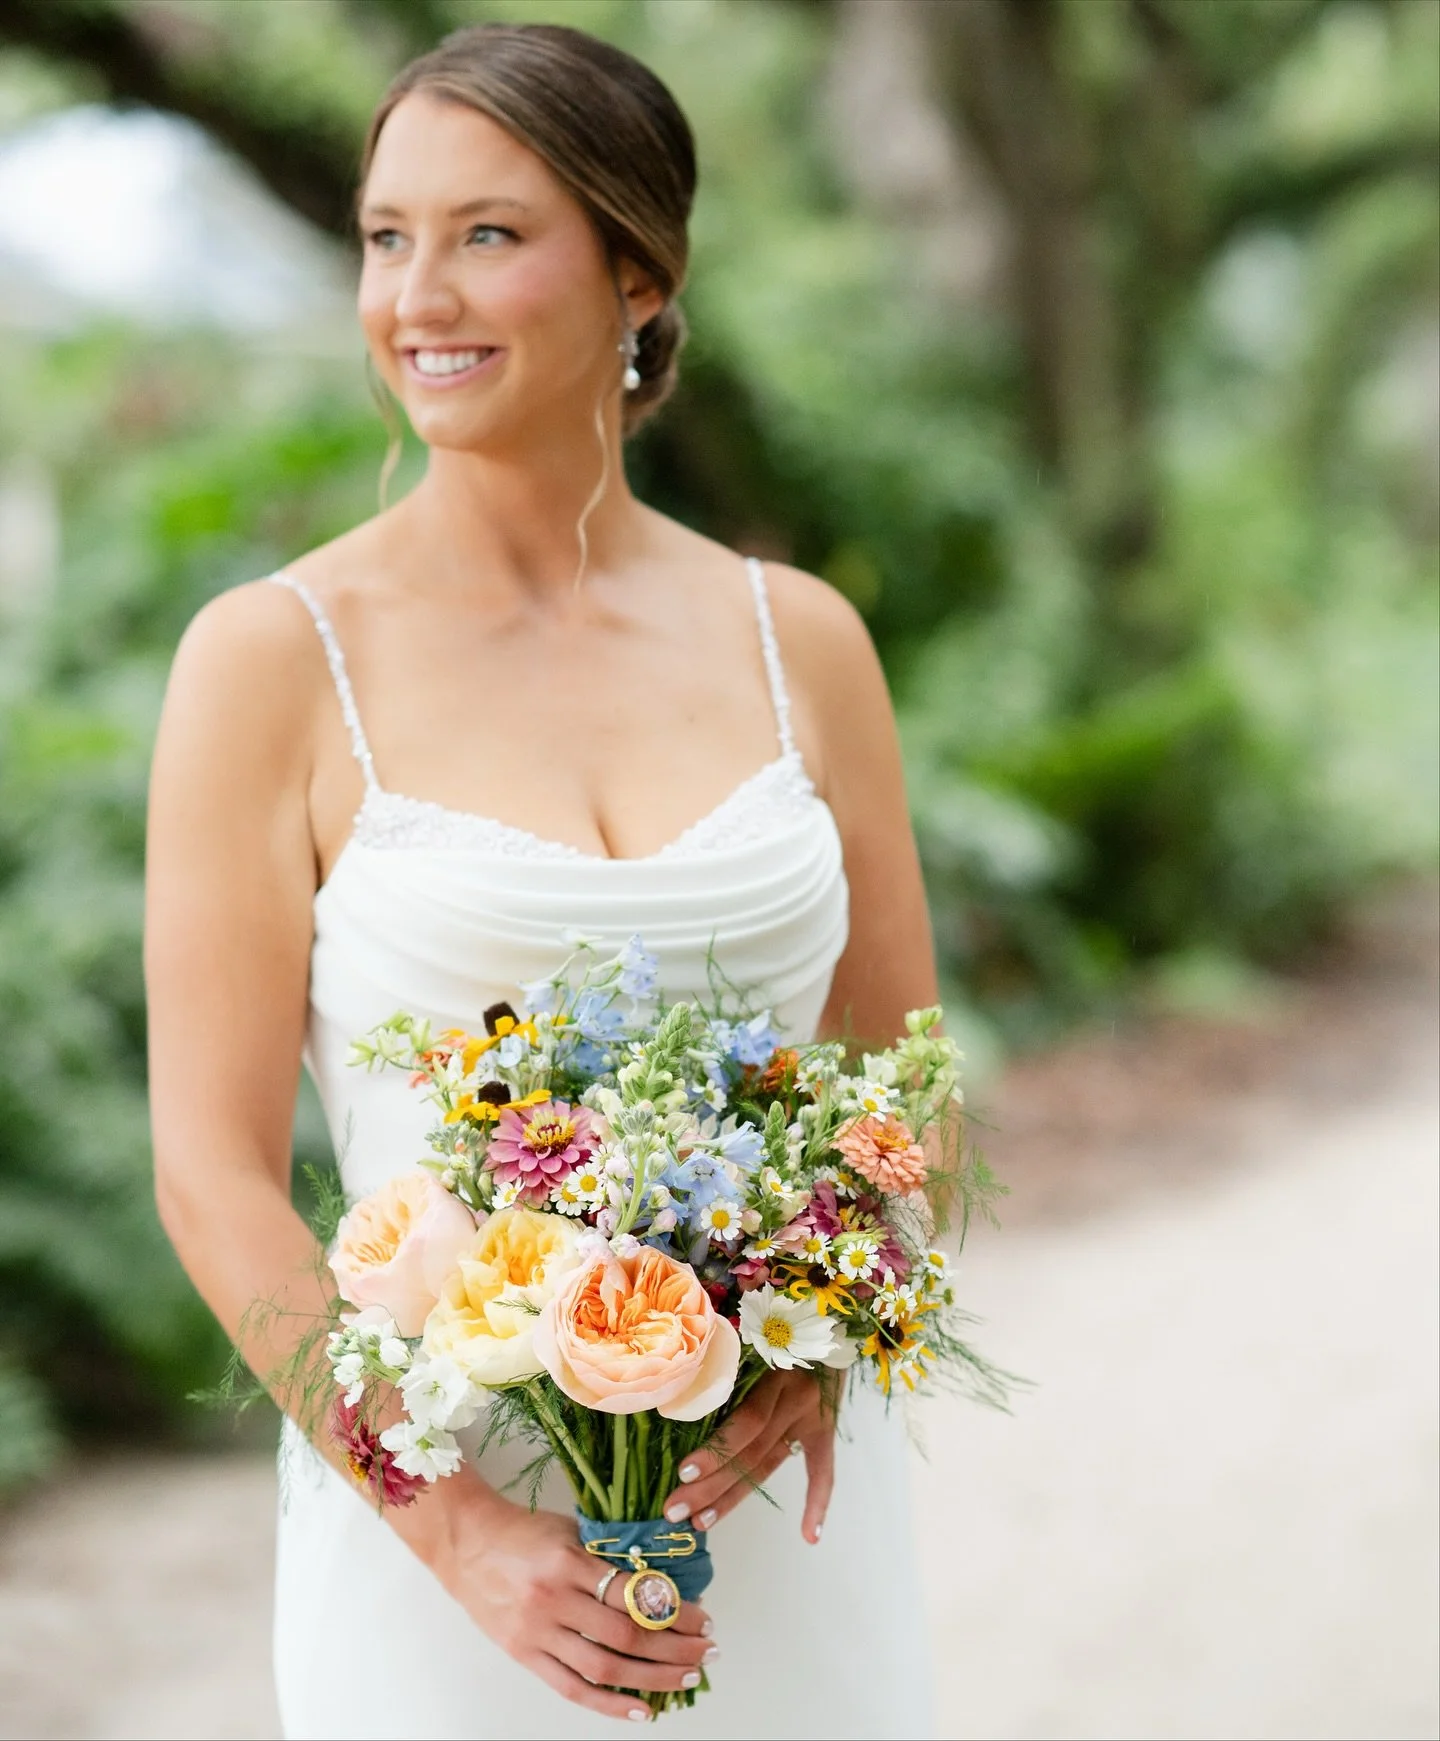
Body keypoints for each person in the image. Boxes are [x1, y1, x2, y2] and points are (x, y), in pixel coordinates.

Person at [146, 22, 937, 1740]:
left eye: (487, 234)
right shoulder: (270, 663)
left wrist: (817, 1358)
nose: (416, 296)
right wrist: (459, 1537)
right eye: (387, 237)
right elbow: (212, 1178)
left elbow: (904, 1101)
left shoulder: (802, 641)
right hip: (444, 1557)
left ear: (638, 273)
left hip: (775, 1532)